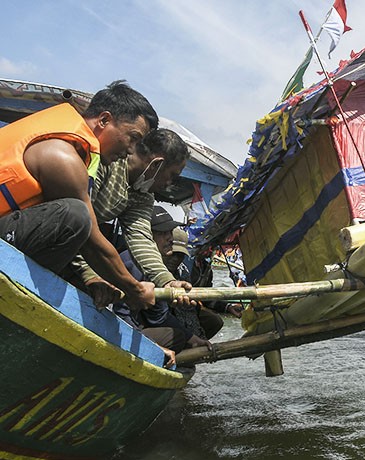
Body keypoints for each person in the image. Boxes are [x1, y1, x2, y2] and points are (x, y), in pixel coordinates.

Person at [0, 80, 158, 311]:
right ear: (104, 120)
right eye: (132, 137)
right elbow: (90, 242)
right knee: (76, 215)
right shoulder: (63, 156)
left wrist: (92, 278)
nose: (131, 150)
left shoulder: (80, 151)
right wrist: (134, 288)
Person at [67, 128, 193, 307]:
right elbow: (75, 223)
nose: (169, 184)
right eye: (172, 175)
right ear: (157, 164)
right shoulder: (105, 164)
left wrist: (167, 281)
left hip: (80, 252)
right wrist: (89, 274)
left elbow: (140, 237)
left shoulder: (143, 194)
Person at [112, 206, 212, 365]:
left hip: (134, 326)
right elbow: (119, 315)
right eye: (162, 233)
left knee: (181, 334)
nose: (169, 238)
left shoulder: (157, 270)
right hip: (115, 329)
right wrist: (153, 347)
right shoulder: (130, 263)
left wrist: (193, 339)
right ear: (146, 235)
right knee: (175, 337)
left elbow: (160, 316)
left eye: (170, 232)